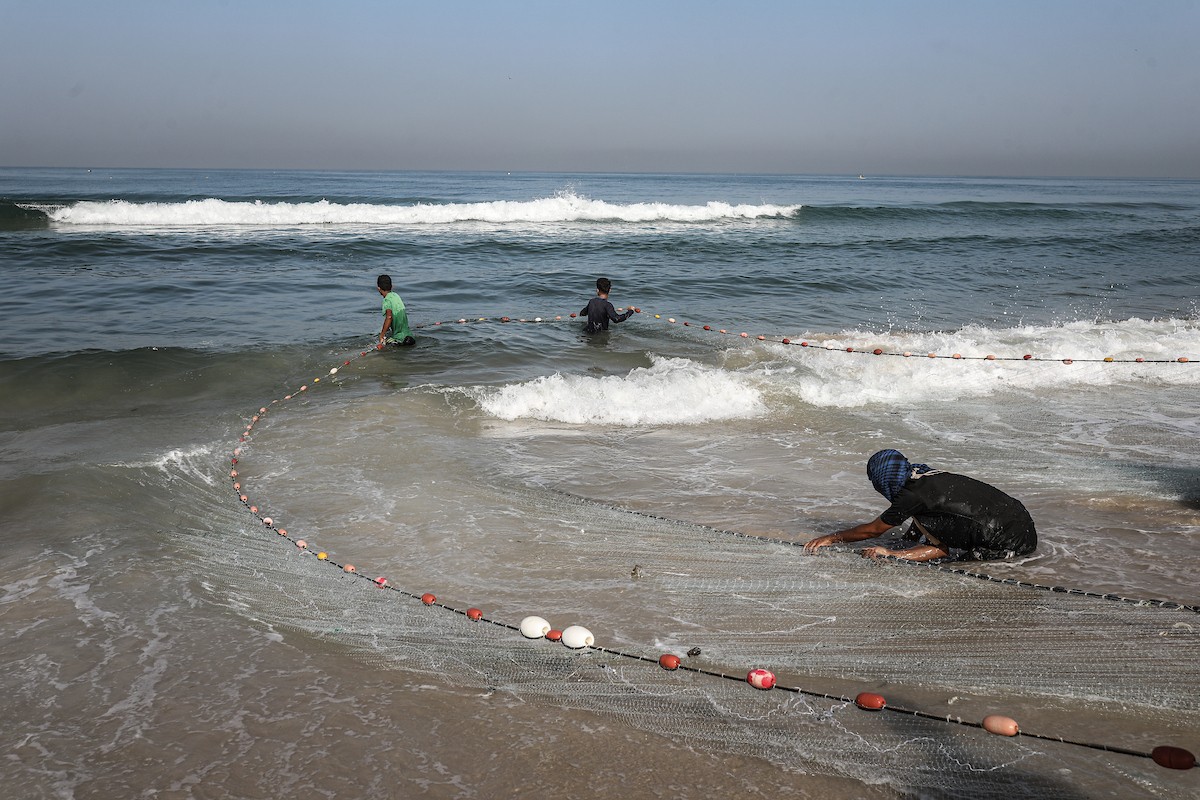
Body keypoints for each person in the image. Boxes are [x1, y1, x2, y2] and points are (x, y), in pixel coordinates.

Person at [802, 449, 1037, 562]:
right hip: (1020, 520)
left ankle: (898, 552)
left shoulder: (910, 498)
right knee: (926, 516)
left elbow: (873, 530)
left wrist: (831, 538)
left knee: (952, 557)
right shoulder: (923, 474)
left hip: (1009, 543)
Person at [376, 274, 415, 347]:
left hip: (398, 338)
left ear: (378, 288)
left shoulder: (387, 300)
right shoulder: (396, 295)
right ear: (392, 286)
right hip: (409, 336)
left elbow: (389, 317)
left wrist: (382, 335)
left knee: (384, 346)